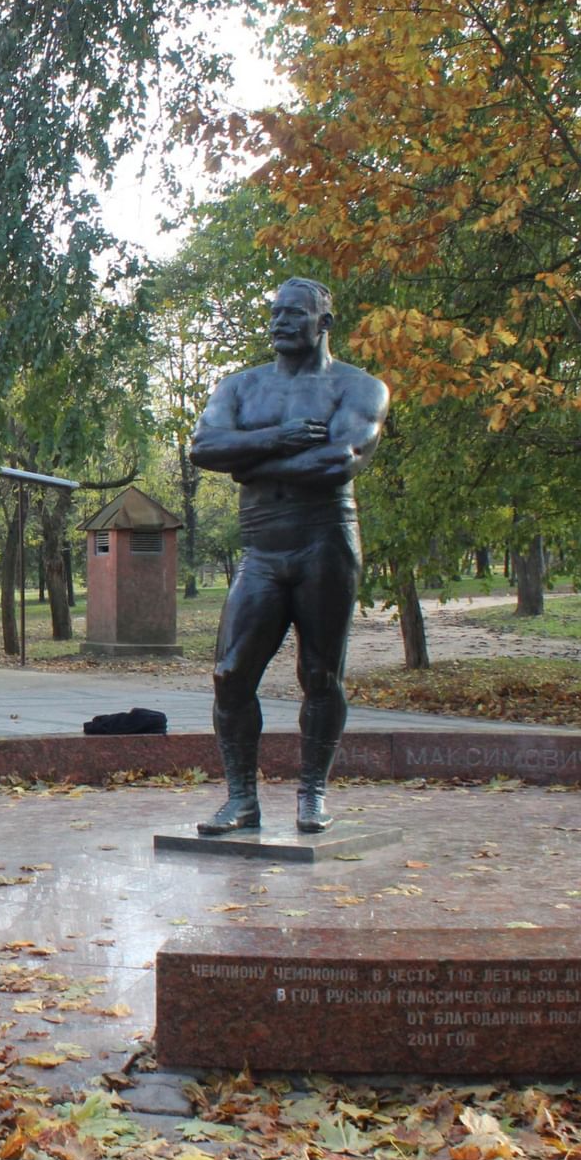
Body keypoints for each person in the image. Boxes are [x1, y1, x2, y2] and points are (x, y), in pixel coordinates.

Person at [187, 278, 389, 834]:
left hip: (325, 541)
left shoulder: (361, 387)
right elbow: (203, 447)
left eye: (294, 314)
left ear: (323, 323)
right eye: (275, 313)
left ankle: (312, 792)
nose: (279, 323)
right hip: (263, 547)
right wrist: (280, 440)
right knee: (230, 674)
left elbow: (338, 462)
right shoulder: (241, 388)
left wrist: (247, 463)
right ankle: (241, 799)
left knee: (321, 674)